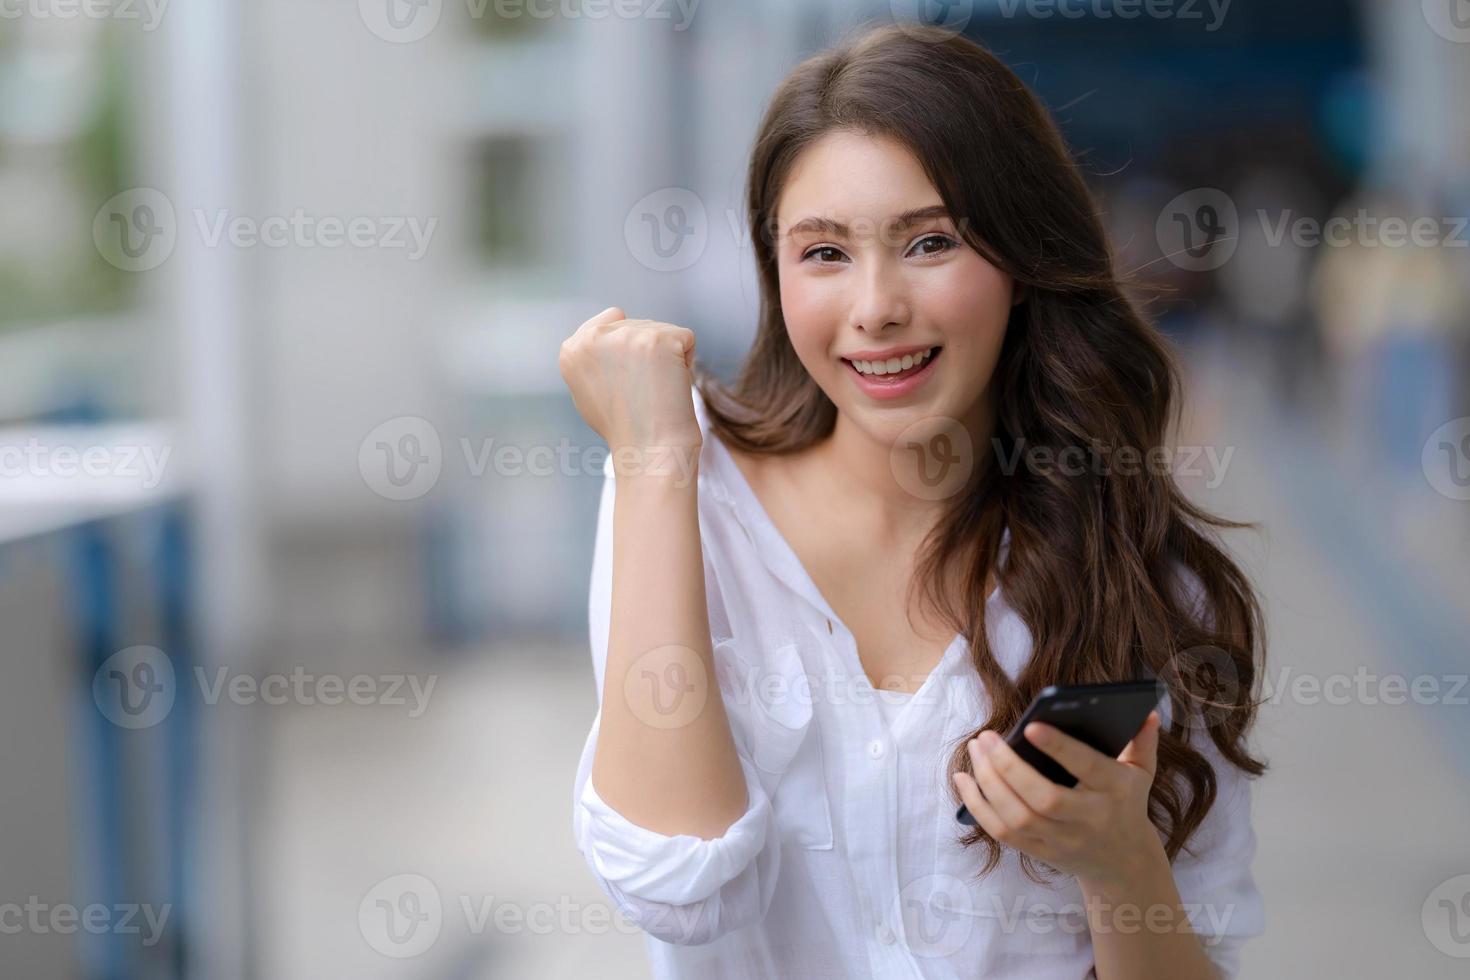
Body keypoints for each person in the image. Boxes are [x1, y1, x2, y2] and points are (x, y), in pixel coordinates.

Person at [559, 23, 1266, 979]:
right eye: (824, 253)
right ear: (775, 273)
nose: (876, 307)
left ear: (1023, 257)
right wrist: (649, 466)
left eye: (930, 241)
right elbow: (680, 887)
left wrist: (1120, 862)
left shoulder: (1135, 564)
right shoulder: (683, 493)